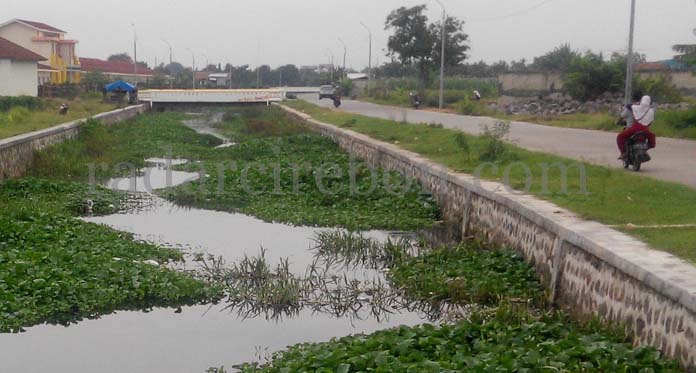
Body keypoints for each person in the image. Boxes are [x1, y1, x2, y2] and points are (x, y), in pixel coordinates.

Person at [616, 95, 656, 160]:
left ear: (641, 101)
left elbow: (629, 106)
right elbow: (650, 122)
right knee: (652, 139)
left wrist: (636, 104)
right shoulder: (651, 111)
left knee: (620, 137)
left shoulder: (636, 107)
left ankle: (623, 153)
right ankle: (644, 150)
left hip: (635, 128)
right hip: (645, 129)